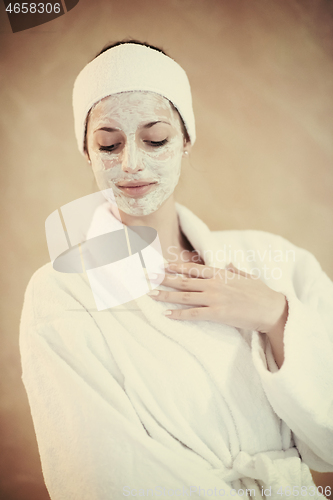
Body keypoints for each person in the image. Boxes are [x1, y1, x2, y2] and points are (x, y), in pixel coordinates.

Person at [19, 40, 333, 500]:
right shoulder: (62, 293)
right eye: (108, 143)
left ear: (186, 139)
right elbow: (101, 475)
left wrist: (277, 315)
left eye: (156, 139)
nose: (131, 163)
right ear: (87, 152)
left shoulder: (273, 259)